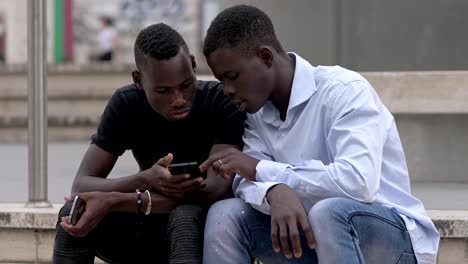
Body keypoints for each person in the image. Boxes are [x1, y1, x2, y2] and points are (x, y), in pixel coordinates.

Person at [200, 5, 439, 264]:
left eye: (232, 76)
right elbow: (246, 181)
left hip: (389, 241)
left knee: (328, 212)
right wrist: (274, 191)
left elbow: (357, 183)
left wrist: (264, 172)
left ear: (265, 57)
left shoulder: (344, 91)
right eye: (221, 81)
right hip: (311, 238)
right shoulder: (255, 113)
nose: (227, 90)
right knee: (226, 215)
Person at [52, 23, 245, 264]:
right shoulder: (126, 104)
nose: (178, 100)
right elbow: (81, 185)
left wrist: (126, 198)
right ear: (138, 80)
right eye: (163, 91)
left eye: (186, 85)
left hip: (201, 229)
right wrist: (145, 180)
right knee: (74, 211)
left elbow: (216, 190)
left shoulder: (220, 101)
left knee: (184, 215)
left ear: (194, 66)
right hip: (145, 226)